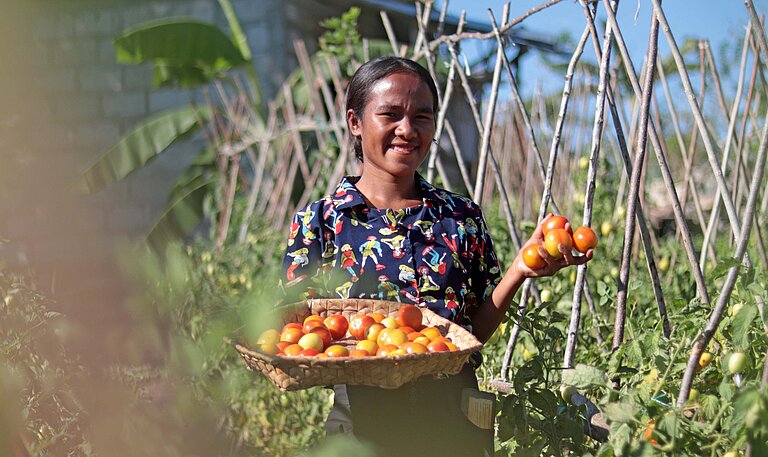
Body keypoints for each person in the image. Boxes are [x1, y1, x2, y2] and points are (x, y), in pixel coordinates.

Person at [278, 56, 593, 457]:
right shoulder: (320, 223)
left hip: (453, 421)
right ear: (355, 122)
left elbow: (471, 335)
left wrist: (519, 270)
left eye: (422, 117)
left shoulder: (461, 218)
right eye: (390, 114)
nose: (407, 130)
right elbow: (296, 336)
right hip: (361, 424)